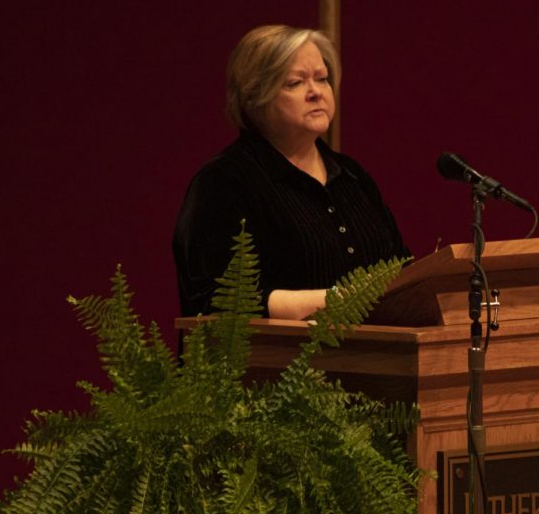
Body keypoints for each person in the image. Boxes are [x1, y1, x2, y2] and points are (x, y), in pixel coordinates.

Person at [173, 25, 410, 319]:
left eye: (322, 79)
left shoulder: (352, 176)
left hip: (376, 360)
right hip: (277, 362)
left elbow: (401, 272)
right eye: (295, 83)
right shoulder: (223, 183)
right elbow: (216, 304)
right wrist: (338, 300)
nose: (316, 93)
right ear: (255, 96)